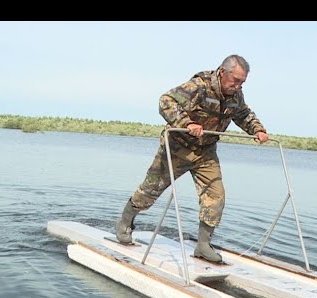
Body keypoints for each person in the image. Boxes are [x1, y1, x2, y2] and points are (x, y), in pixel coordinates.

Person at [115, 54, 269, 263]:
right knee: (149, 191)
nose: (239, 86)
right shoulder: (199, 86)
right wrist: (186, 123)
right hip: (177, 148)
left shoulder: (236, 96)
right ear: (223, 73)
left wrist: (257, 130)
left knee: (216, 197)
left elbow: (243, 114)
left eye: (242, 82)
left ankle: (203, 246)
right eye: (236, 81)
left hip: (205, 152)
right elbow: (165, 101)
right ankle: (125, 222)